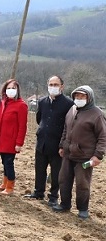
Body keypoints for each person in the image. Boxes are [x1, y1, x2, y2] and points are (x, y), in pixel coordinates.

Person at [52, 85, 106, 220]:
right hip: (68, 154)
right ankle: (65, 204)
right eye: (77, 96)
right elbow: (66, 129)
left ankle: (83, 209)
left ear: (89, 97)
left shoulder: (97, 114)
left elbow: (103, 136)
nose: (79, 98)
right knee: (63, 180)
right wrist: (61, 145)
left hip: (85, 156)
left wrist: (98, 155)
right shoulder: (72, 110)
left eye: (83, 96)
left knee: (82, 184)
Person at [23, 76, 74, 206]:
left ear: (62, 86)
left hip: (58, 144)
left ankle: (53, 196)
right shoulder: (42, 101)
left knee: (56, 171)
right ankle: (38, 192)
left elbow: (69, 125)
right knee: (40, 168)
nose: (53, 87)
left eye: (56, 84)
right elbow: (39, 119)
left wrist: (63, 143)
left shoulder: (68, 104)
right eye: (51, 84)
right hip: (42, 141)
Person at [0, 79, 28, 195]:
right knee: (4, 161)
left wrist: (19, 143)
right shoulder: (3, 103)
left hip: (11, 140)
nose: (10, 90)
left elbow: (22, 126)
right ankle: (4, 183)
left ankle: (10, 186)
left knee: (8, 162)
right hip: (2, 138)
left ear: (17, 90)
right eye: (8, 88)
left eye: (13, 88)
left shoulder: (21, 105)